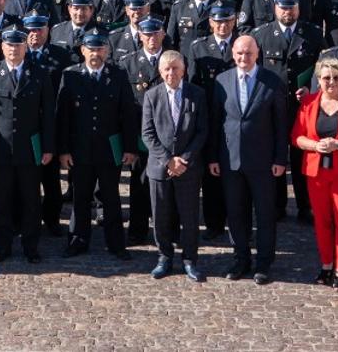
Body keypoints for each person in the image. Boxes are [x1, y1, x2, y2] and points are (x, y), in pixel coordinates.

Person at [209, 35, 290, 285]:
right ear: (233, 54)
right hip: (230, 160)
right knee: (236, 213)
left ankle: (264, 262)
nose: (244, 58)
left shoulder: (272, 81)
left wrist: (280, 159)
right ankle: (240, 258)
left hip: (263, 162)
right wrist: (213, 157)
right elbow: (215, 123)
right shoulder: (222, 81)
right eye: (239, 54)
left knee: (265, 214)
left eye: (249, 54)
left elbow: (280, 125)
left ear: (257, 54)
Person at [57, 31, 140, 260]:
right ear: (82, 50)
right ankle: (77, 240)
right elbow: (63, 117)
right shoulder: (71, 75)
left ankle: (115, 244)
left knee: (110, 197)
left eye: (100, 49)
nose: (95, 53)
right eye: (91, 49)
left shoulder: (118, 75)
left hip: (109, 150)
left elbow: (128, 115)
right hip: (80, 150)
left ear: (107, 51)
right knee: (81, 198)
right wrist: (63, 150)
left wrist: (130, 148)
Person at [0, 29, 56, 264]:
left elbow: (48, 116)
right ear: (2, 47)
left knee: (31, 201)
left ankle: (31, 246)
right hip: (0, 150)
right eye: (10, 45)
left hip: (29, 150)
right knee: (2, 201)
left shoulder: (40, 74)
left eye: (18, 45)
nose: (14, 49)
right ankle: (2, 246)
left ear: (25, 48)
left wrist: (48, 147)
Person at [291, 57, 338, 290]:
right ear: (318, 80)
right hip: (317, 172)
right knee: (322, 221)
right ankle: (326, 265)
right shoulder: (308, 103)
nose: (331, 82)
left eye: (336, 78)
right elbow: (297, 137)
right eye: (326, 78)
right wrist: (316, 146)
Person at [143, 50, 207, 281]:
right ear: (160, 72)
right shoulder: (151, 96)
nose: (171, 73)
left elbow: (202, 131)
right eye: (167, 69)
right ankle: (164, 257)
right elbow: (148, 134)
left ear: (184, 70)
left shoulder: (197, 95)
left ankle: (190, 259)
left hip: (188, 168)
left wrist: (184, 159)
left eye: (176, 68)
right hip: (160, 168)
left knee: (189, 216)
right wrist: (168, 159)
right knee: (160, 216)